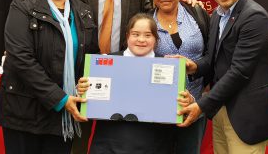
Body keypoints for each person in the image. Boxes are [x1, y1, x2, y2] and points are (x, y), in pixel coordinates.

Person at [0, 0, 99, 154]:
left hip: (63, 116)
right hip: (26, 112)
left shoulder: (83, 11)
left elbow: (90, 57)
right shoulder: (22, 6)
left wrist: (86, 79)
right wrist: (60, 99)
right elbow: (20, 59)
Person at [177, 0, 268, 153]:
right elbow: (214, 58)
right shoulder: (218, 14)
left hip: (247, 115)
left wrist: (201, 105)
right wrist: (194, 66)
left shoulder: (254, 17)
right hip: (222, 108)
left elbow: (240, 71)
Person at [70, 0, 152, 153]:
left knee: (117, 140)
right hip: (83, 75)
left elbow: (149, 29)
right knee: (79, 139)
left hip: (123, 76)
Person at [76, 13, 194, 154]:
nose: (141, 40)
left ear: (156, 39)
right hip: (109, 143)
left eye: (148, 35)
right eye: (135, 34)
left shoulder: (170, 66)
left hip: (155, 143)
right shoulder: (106, 63)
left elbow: (181, 101)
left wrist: (188, 100)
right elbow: (88, 100)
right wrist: (80, 90)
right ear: (127, 36)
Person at [150, 0, 210, 154]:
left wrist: (197, 67)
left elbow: (212, 55)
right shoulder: (146, 22)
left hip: (194, 105)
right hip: (156, 108)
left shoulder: (197, 15)